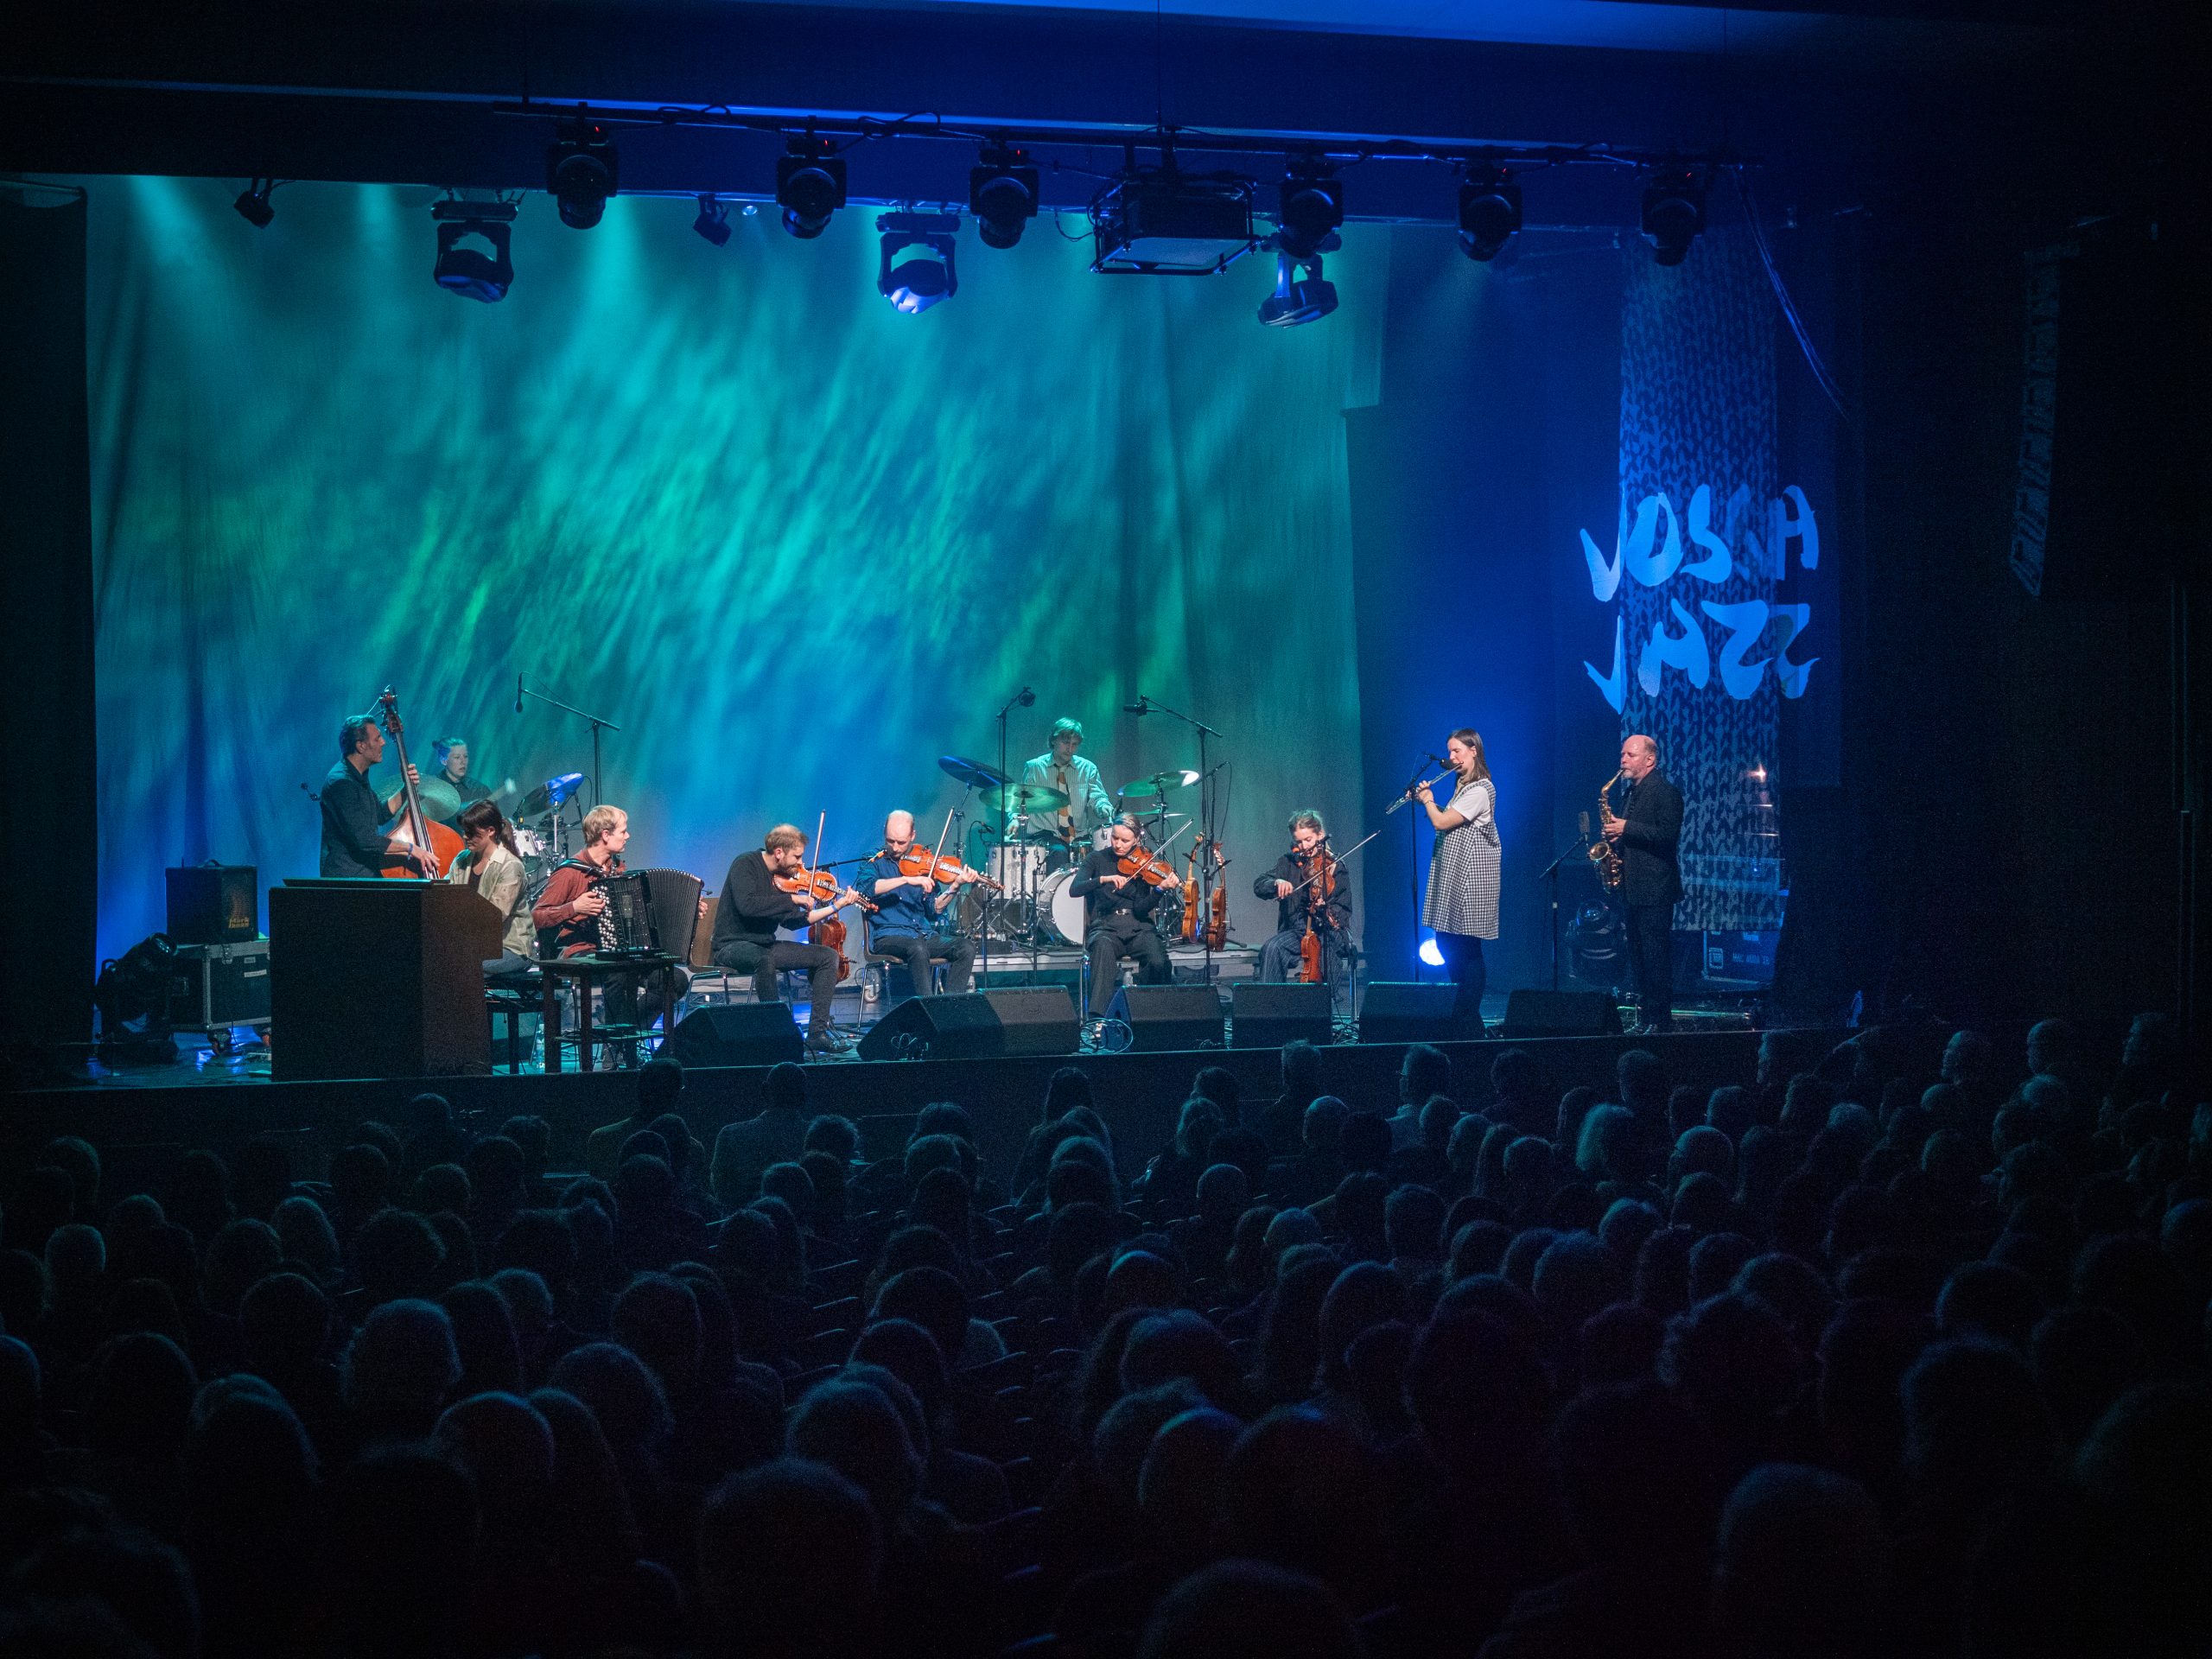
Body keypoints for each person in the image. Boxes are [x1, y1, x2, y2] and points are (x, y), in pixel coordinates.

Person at [710, 824, 863, 1057]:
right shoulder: (745, 864)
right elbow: (748, 906)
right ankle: (778, 1035)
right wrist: (793, 898)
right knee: (764, 960)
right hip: (731, 945)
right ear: (779, 852)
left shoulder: (784, 879)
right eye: (797, 857)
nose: (801, 864)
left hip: (764, 946)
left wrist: (836, 906)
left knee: (827, 956)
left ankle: (817, 1035)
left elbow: (794, 921)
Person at [1416, 728, 1501, 1028]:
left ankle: (1468, 1012)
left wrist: (1428, 800)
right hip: (1456, 874)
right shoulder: (1463, 787)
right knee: (1447, 940)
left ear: (1473, 750)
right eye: (1449, 752)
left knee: (1466, 945)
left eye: (1457, 751)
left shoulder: (1480, 789)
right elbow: (1449, 822)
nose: (1451, 757)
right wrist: (1427, 802)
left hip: (1472, 878)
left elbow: (1441, 823)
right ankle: (1463, 1010)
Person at [1602, 733, 1683, 1033]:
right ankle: (1644, 1018)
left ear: (1650, 760)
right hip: (1632, 887)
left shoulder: (1665, 792)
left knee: (1655, 959)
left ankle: (1660, 1021)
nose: (1623, 760)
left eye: (1630, 755)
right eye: (1623, 754)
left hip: (1655, 888)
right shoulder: (1630, 794)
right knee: (1638, 959)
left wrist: (1627, 827)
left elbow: (1667, 835)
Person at [861, 812, 979, 997]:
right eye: (890, 841)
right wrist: (906, 879)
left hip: (922, 935)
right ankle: (927, 1010)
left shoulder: (924, 864)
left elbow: (934, 909)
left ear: (912, 836)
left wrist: (955, 886)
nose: (895, 848)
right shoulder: (873, 859)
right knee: (917, 947)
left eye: (901, 842)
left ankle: (949, 1006)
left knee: (966, 947)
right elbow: (867, 888)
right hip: (888, 935)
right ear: (884, 833)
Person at [1071, 814, 1173, 1019]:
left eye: (1125, 841)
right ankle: (1098, 1018)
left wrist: (1159, 890)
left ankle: (1150, 1013)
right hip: (1106, 926)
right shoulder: (1096, 859)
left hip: (1138, 927)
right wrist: (1103, 879)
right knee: (1102, 951)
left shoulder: (1145, 863)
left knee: (1159, 961)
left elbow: (1142, 909)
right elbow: (1075, 889)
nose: (1118, 844)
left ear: (1137, 839)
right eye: (1115, 838)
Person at [318, 713, 427, 878]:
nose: (383, 743)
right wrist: (410, 848)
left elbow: (380, 815)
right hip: (347, 877)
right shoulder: (341, 783)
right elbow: (365, 840)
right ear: (361, 746)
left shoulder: (359, 776)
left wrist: (406, 790)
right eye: (377, 739)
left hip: (364, 872)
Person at [1254, 811, 1354, 984]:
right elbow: (1259, 884)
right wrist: (1276, 882)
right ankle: (1271, 1006)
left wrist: (1326, 909)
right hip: (1297, 931)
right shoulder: (1288, 863)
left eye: (1308, 840)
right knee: (1272, 948)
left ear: (1320, 835)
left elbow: (1344, 911)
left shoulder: (1335, 866)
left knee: (1326, 954)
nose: (1304, 846)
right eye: (1298, 842)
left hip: (1329, 932)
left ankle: (1324, 1004)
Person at [448, 800, 534, 978]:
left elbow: (494, 917)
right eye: (464, 831)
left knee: (461, 966)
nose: (465, 837)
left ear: (491, 831)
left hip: (512, 948)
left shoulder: (510, 866)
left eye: (471, 833)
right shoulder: (461, 861)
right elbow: (447, 899)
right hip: (474, 946)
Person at [1022, 717, 1116, 849]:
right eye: (1066, 743)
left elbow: (1098, 797)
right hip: (1044, 835)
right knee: (1059, 852)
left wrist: (1104, 807)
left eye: (1075, 744)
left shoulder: (1088, 768)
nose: (1070, 749)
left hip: (1079, 836)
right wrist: (1015, 819)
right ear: (1054, 740)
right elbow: (1023, 800)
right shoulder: (1034, 767)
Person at [423, 736, 493, 826]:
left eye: (466, 756)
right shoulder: (430, 788)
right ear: (443, 760)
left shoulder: (480, 790)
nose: (463, 762)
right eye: (457, 757)